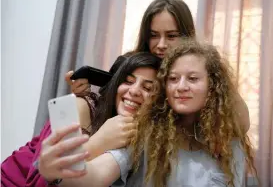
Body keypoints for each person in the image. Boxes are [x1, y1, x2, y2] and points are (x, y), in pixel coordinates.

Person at [39, 40, 257, 187]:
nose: (181, 86)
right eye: (173, 79)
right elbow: (95, 175)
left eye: (192, 78)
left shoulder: (230, 145)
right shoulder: (143, 135)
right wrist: (59, 171)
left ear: (213, 87)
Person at [1, 52, 161, 187]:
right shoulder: (83, 106)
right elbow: (38, 179)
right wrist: (99, 142)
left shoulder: (137, 137)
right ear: (114, 84)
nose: (134, 91)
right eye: (128, 81)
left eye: (147, 88)